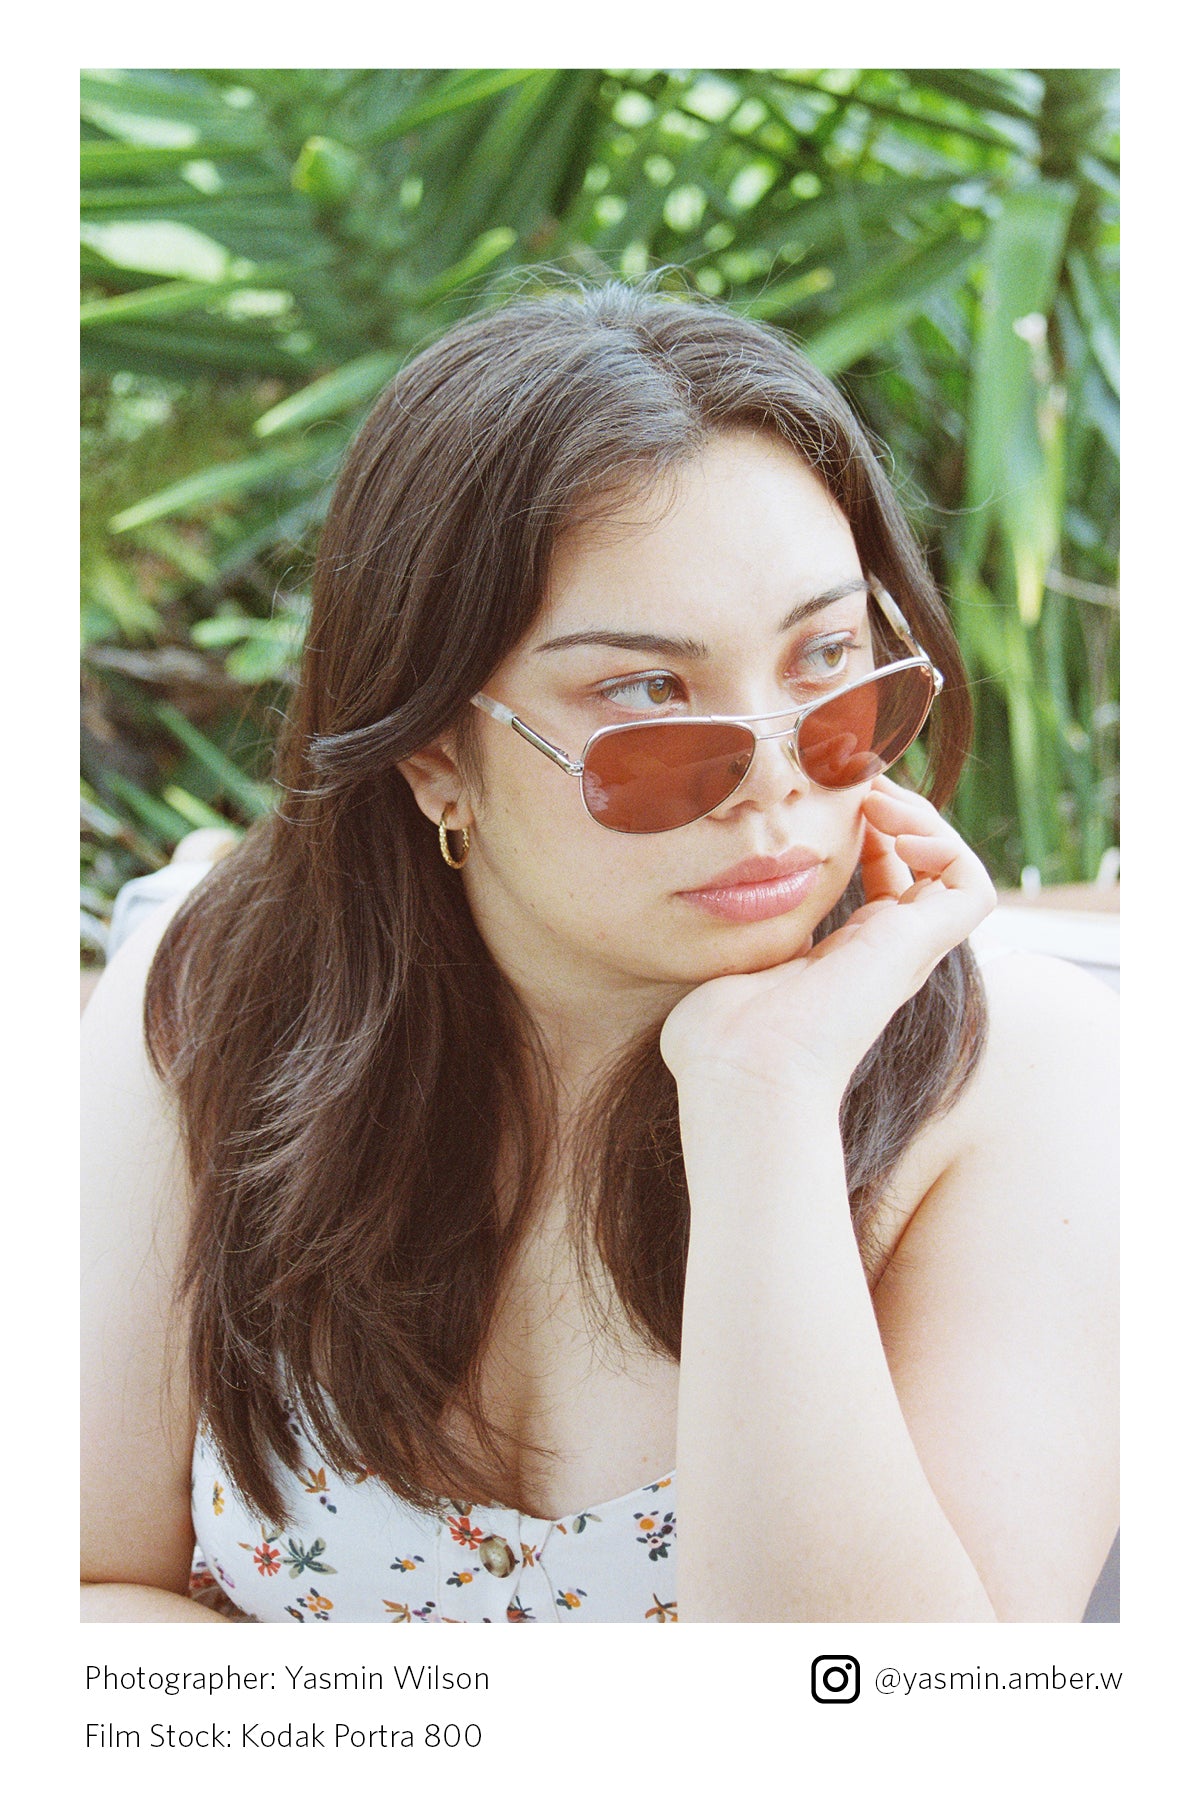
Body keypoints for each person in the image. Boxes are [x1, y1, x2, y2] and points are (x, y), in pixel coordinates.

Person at [81, 281, 1117, 1624]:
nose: (773, 785)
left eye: (831, 665)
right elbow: (77, 1597)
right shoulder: (213, 990)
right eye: (647, 699)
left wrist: (765, 1102)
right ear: (436, 754)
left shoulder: (1033, 1083)